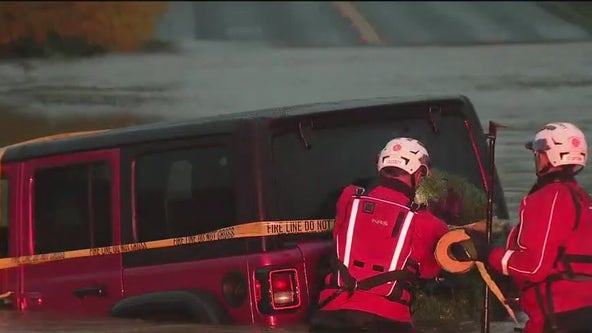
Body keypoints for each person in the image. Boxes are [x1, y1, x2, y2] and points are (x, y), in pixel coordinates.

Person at [461, 122, 592, 333]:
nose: (537, 159)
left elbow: (533, 267)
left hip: (557, 319)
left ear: (551, 156)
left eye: (539, 153)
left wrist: (486, 253)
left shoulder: (550, 197)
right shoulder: (583, 200)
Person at [309, 137, 449, 332]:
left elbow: (341, 233)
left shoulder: (349, 197)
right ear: (419, 174)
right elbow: (430, 270)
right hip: (387, 320)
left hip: (331, 315)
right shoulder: (427, 223)